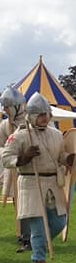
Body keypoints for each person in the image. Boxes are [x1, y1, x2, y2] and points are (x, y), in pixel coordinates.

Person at [2, 93, 72, 263]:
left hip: (52, 184)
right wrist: (24, 157)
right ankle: (39, 261)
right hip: (31, 183)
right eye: (40, 115)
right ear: (32, 116)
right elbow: (6, 158)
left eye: (46, 114)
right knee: (38, 226)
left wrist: (68, 159)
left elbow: (60, 155)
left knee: (59, 222)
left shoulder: (56, 134)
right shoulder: (21, 135)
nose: (44, 118)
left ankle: (37, 241)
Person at [0, 86, 31, 253]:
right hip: (11, 169)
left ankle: (28, 237)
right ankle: (23, 235)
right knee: (17, 204)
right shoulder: (5, 125)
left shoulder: (29, 123)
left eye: (7, 106)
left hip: (28, 171)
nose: (5, 110)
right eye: (4, 107)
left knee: (26, 204)